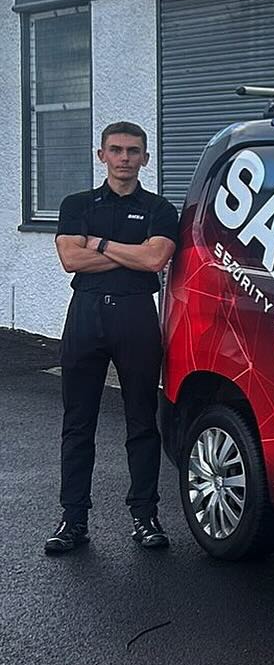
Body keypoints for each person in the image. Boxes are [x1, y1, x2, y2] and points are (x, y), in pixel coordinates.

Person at [44, 122, 180, 555]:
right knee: (77, 423)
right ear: (101, 155)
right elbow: (71, 259)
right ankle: (73, 520)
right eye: (116, 150)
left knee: (142, 422)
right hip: (86, 316)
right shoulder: (77, 204)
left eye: (133, 151)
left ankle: (145, 517)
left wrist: (99, 244)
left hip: (137, 317)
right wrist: (130, 253)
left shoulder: (160, 208)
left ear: (145, 158)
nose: (124, 158)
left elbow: (156, 258)